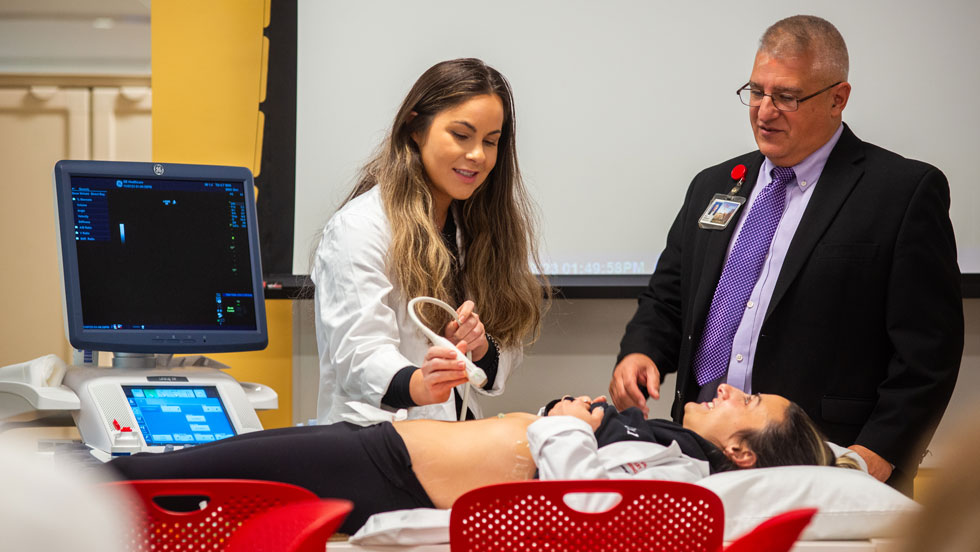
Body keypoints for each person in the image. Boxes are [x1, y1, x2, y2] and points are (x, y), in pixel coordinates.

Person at [610, 15, 963, 494]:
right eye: (756, 91)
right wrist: (641, 350)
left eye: (787, 97)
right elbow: (669, 296)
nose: (764, 111)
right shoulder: (715, 184)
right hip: (700, 458)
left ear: (838, 98)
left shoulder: (900, 192)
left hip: (832, 466)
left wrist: (874, 458)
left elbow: (928, 353)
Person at [107, 385, 849, 535]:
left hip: (386, 470)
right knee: (154, 474)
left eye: (749, 400)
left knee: (145, 481)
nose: (730, 388)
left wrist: (566, 427)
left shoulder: (686, 470)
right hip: (381, 451)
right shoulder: (671, 449)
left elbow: (589, 505)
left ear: (741, 451)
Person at [312, 58, 548, 424]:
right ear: (415, 128)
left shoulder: (478, 228)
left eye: (490, 141)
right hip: (375, 440)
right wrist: (421, 384)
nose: (478, 155)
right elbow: (360, 356)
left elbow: (500, 354)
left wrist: (478, 345)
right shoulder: (359, 227)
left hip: (452, 441)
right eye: (461, 135)